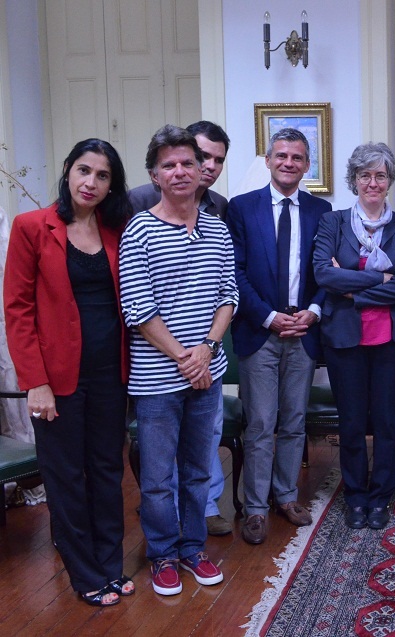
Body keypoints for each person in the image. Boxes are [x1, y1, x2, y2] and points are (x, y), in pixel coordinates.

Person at [4, 139, 134, 607]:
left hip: (111, 374)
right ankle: (84, 572)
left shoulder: (118, 229)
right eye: (84, 170)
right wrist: (34, 382)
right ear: (67, 170)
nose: (90, 182)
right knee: (65, 475)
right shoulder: (31, 227)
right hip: (55, 379)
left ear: (111, 185)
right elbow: (17, 310)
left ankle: (110, 563)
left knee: (107, 469)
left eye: (102, 175)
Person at [119, 125, 238, 596]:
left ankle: (192, 548)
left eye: (188, 162)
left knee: (198, 470)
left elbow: (228, 295)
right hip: (157, 380)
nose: (181, 171)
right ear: (155, 175)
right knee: (157, 477)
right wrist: (185, 359)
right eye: (168, 165)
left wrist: (206, 350)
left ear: (200, 168)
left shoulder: (216, 227)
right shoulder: (139, 230)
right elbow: (138, 309)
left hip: (207, 372)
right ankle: (163, 554)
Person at [227, 128, 332, 545]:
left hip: (303, 330)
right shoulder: (242, 208)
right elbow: (235, 272)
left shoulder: (322, 211)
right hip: (260, 331)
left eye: (297, 157)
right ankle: (255, 507)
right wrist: (268, 317)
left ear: (307, 166)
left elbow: (326, 271)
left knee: (293, 421)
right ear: (269, 160)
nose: (289, 163)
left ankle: (286, 496)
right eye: (282, 155)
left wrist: (314, 310)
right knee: (259, 423)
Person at [313, 143, 395, 530]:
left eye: (380, 175)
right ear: (353, 180)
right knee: (352, 423)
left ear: (390, 181)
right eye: (365, 175)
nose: (373, 183)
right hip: (345, 339)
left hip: (391, 340)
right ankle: (355, 497)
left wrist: (352, 288)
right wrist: (380, 278)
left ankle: (380, 497)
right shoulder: (333, 223)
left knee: (387, 423)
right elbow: (324, 274)